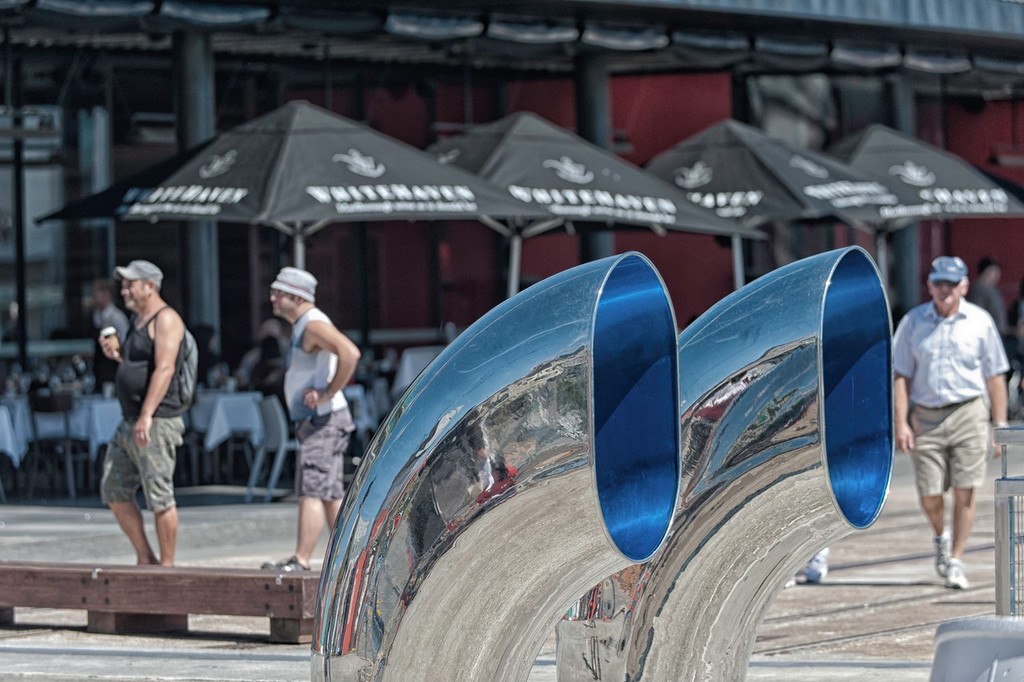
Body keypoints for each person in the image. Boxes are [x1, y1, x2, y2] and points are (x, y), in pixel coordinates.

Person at [893, 255, 1009, 590]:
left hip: (969, 412)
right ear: (929, 285)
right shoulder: (913, 322)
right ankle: (940, 535)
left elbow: (995, 376)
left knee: (966, 488)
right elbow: (900, 375)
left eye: (951, 283)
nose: (945, 290)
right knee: (929, 491)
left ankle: (956, 558)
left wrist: (998, 424)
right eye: (939, 283)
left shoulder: (980, 321)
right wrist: (902, 423)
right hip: (926, 415)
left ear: (964, 286)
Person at [262, 266, 360, 572]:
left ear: (296, 296)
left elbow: (350, 353)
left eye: (278, 292)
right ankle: (350, 560)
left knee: (311, 489)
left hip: (323, 420)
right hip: (321, 420)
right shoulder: (305, 324)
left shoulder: (313, 325)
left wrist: (329, 392)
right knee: (329, 493)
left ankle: (301, 560)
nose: (272, 297)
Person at [97, 260, 188, 566]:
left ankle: (168, 567)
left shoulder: (166, 319)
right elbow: (139, 366)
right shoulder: (137, 320)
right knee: (114, 489)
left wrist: (147, 414)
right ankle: (145, 558)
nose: (123, 290)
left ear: (150, 286)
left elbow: (165, 368)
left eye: (130, 284)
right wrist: (118, 355)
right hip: (130, 419)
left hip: (156, 420)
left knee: (160, 496)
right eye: (123, 284)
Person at [90, 279, 129, 391]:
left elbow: (124, 342)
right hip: (98, 369)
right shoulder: (95, 316)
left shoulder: (117, 318)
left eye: (95, 294)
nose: (93, 297)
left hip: (113, 368)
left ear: (106, 294)